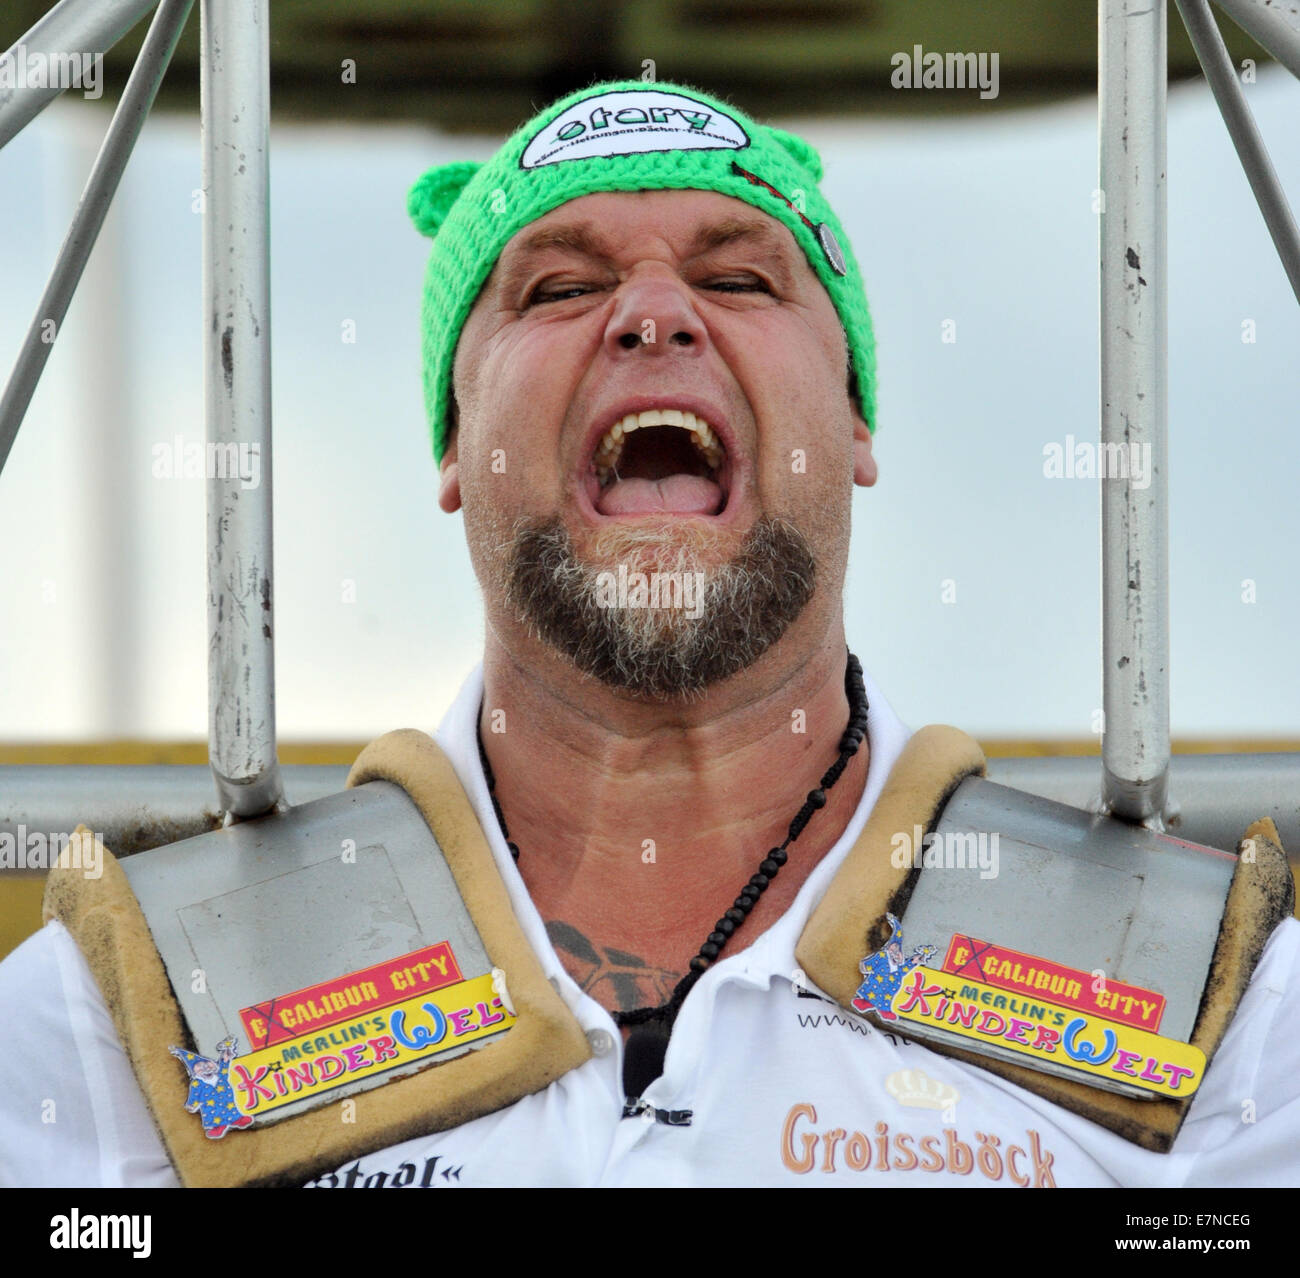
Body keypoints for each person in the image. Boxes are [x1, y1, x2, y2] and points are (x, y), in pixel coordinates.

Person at [0, 80, 1297, 1189]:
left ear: (855, 427)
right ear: (453, 446)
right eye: (560, 286)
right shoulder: (126, 1014)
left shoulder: (1224, 1018)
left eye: (738, 276)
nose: (655, 314)